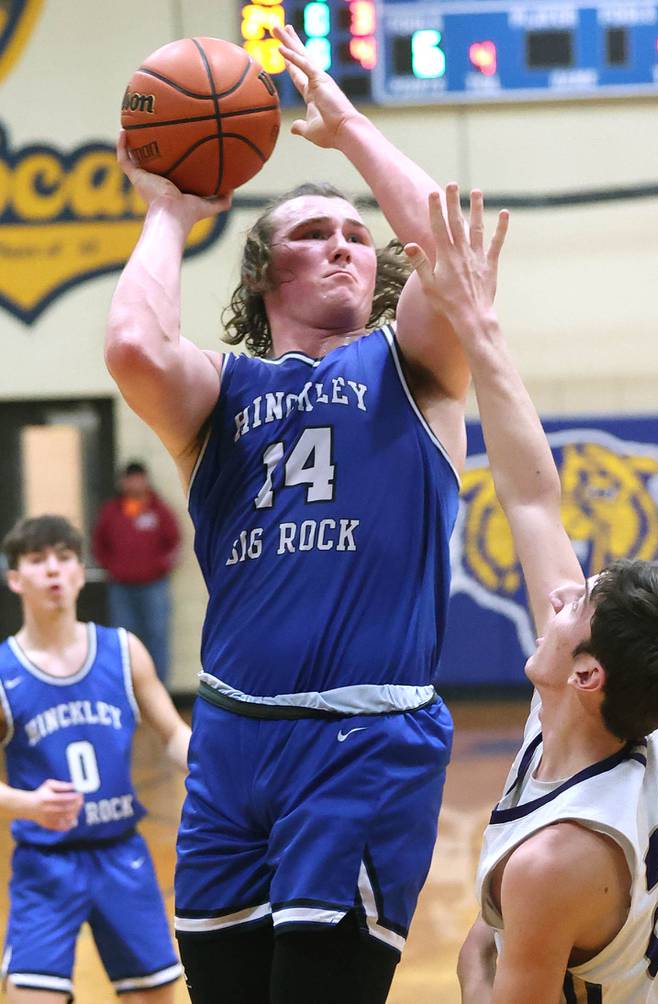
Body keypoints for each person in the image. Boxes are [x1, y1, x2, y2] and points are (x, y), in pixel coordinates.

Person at [105, 23, 473, 1004]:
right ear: (264, 272)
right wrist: (169, 211)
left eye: (356, 232)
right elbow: (135, 346)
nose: (345, 245)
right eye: (312, 233)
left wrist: (348, 128)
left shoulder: (416, 367)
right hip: (231, 743)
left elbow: (442, 247)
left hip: (363, 744)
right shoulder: (219, 391)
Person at [404, 187, 658, 1002]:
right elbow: (532, 496)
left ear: (588, 673)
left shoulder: (556, 858)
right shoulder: (601, 718)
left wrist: (475, 964)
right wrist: (478, 327)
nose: (558, 597)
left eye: (576, 605)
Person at [0, 514, 191, 1002]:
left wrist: (218, 765)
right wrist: (26, 803)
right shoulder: (4, 671)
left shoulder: (123, 651)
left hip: (121, 855)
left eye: (64, 558)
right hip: (45, 865)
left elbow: (171, 734)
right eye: (38, 560)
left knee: (156, 996)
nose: (53, 571)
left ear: (81, 572)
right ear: (15, 578)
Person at [92, 460, 180, 685]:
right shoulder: (112, 511)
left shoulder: (158, 510)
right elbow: (98, 544)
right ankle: (127, 690)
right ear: (123, 482)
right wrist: (112, 566)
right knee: (124, 640)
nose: (135, 483)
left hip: (154, 587)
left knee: (156, 638)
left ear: (146, 480)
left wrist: (161, 566)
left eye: (139, 478)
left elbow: (174, 542)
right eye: (130, 479)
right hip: (121, 587)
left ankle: (160, 690)